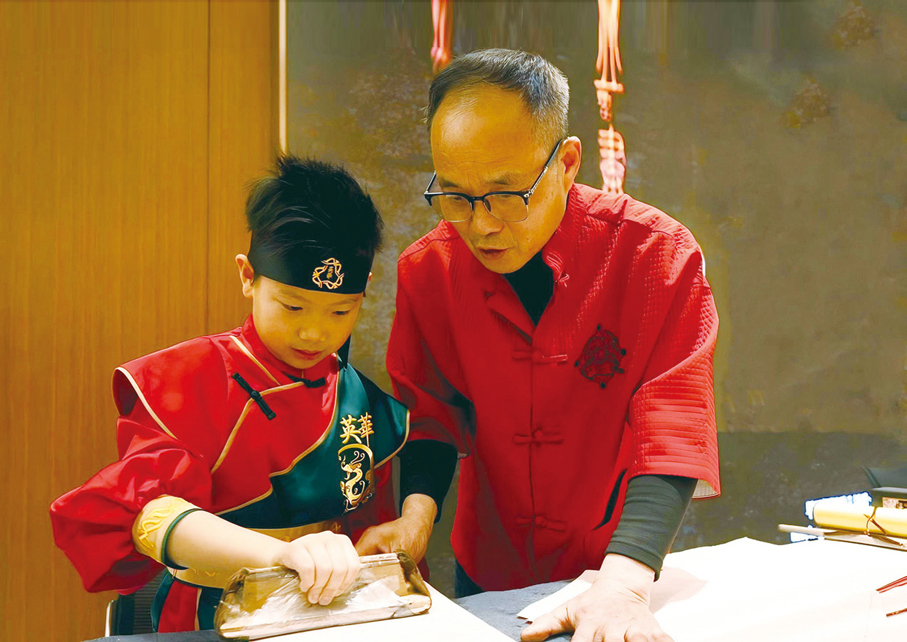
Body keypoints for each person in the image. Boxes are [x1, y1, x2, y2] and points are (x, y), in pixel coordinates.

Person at [357, 49, 720, 642]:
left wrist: (625, 584)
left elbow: (673, 424)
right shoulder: (429, 270)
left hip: (614, 564)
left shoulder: (656, 256)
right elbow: (431, 412)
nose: (481, 225)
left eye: (506, 194)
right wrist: (416, 517)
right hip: (489, 565)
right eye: (455, 196)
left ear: (567, 162)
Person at [49, 155, 409, 633]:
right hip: (214, 613)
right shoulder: (187, 378)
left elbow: (370, 530)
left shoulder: (358, 396)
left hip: (330, 616)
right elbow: (149, 513)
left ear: (364, 293)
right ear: (247, 276)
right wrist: (282, 555)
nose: (314, 333)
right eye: (293, 306)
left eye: (340, 312)